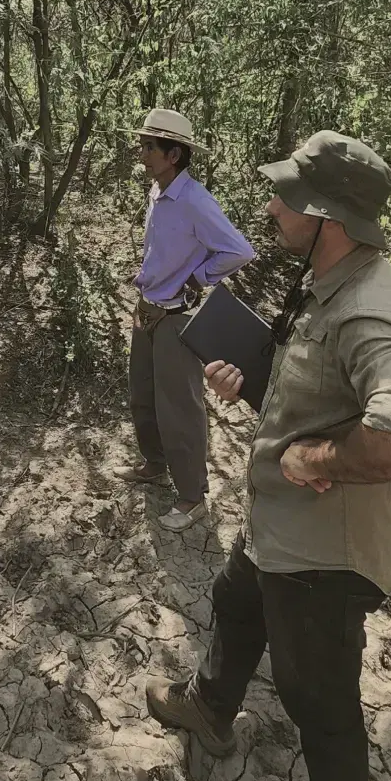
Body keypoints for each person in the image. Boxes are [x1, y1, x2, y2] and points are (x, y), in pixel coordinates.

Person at [144, 130, 391, 781]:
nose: (272, 208)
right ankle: (210, 707)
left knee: (319, 706)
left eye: (286, 196)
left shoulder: (370, 307)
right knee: (234, 600)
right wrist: (253, 384)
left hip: (322, 558)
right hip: (281, 527)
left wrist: (315, 455)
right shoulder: (329, 279)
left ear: (326, 215)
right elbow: (319, 390)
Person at [116, 108, 256, 531]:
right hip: (148, 311)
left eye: (149, 147)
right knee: (143, 395)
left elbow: (239, 250)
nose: (141, 153)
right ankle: (154, 465)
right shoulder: (158, 193)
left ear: (173, 153)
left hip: (177, 318)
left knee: (179, 409)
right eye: (143, 145)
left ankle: (192, 496)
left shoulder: (195, 199)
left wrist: (197, 278)